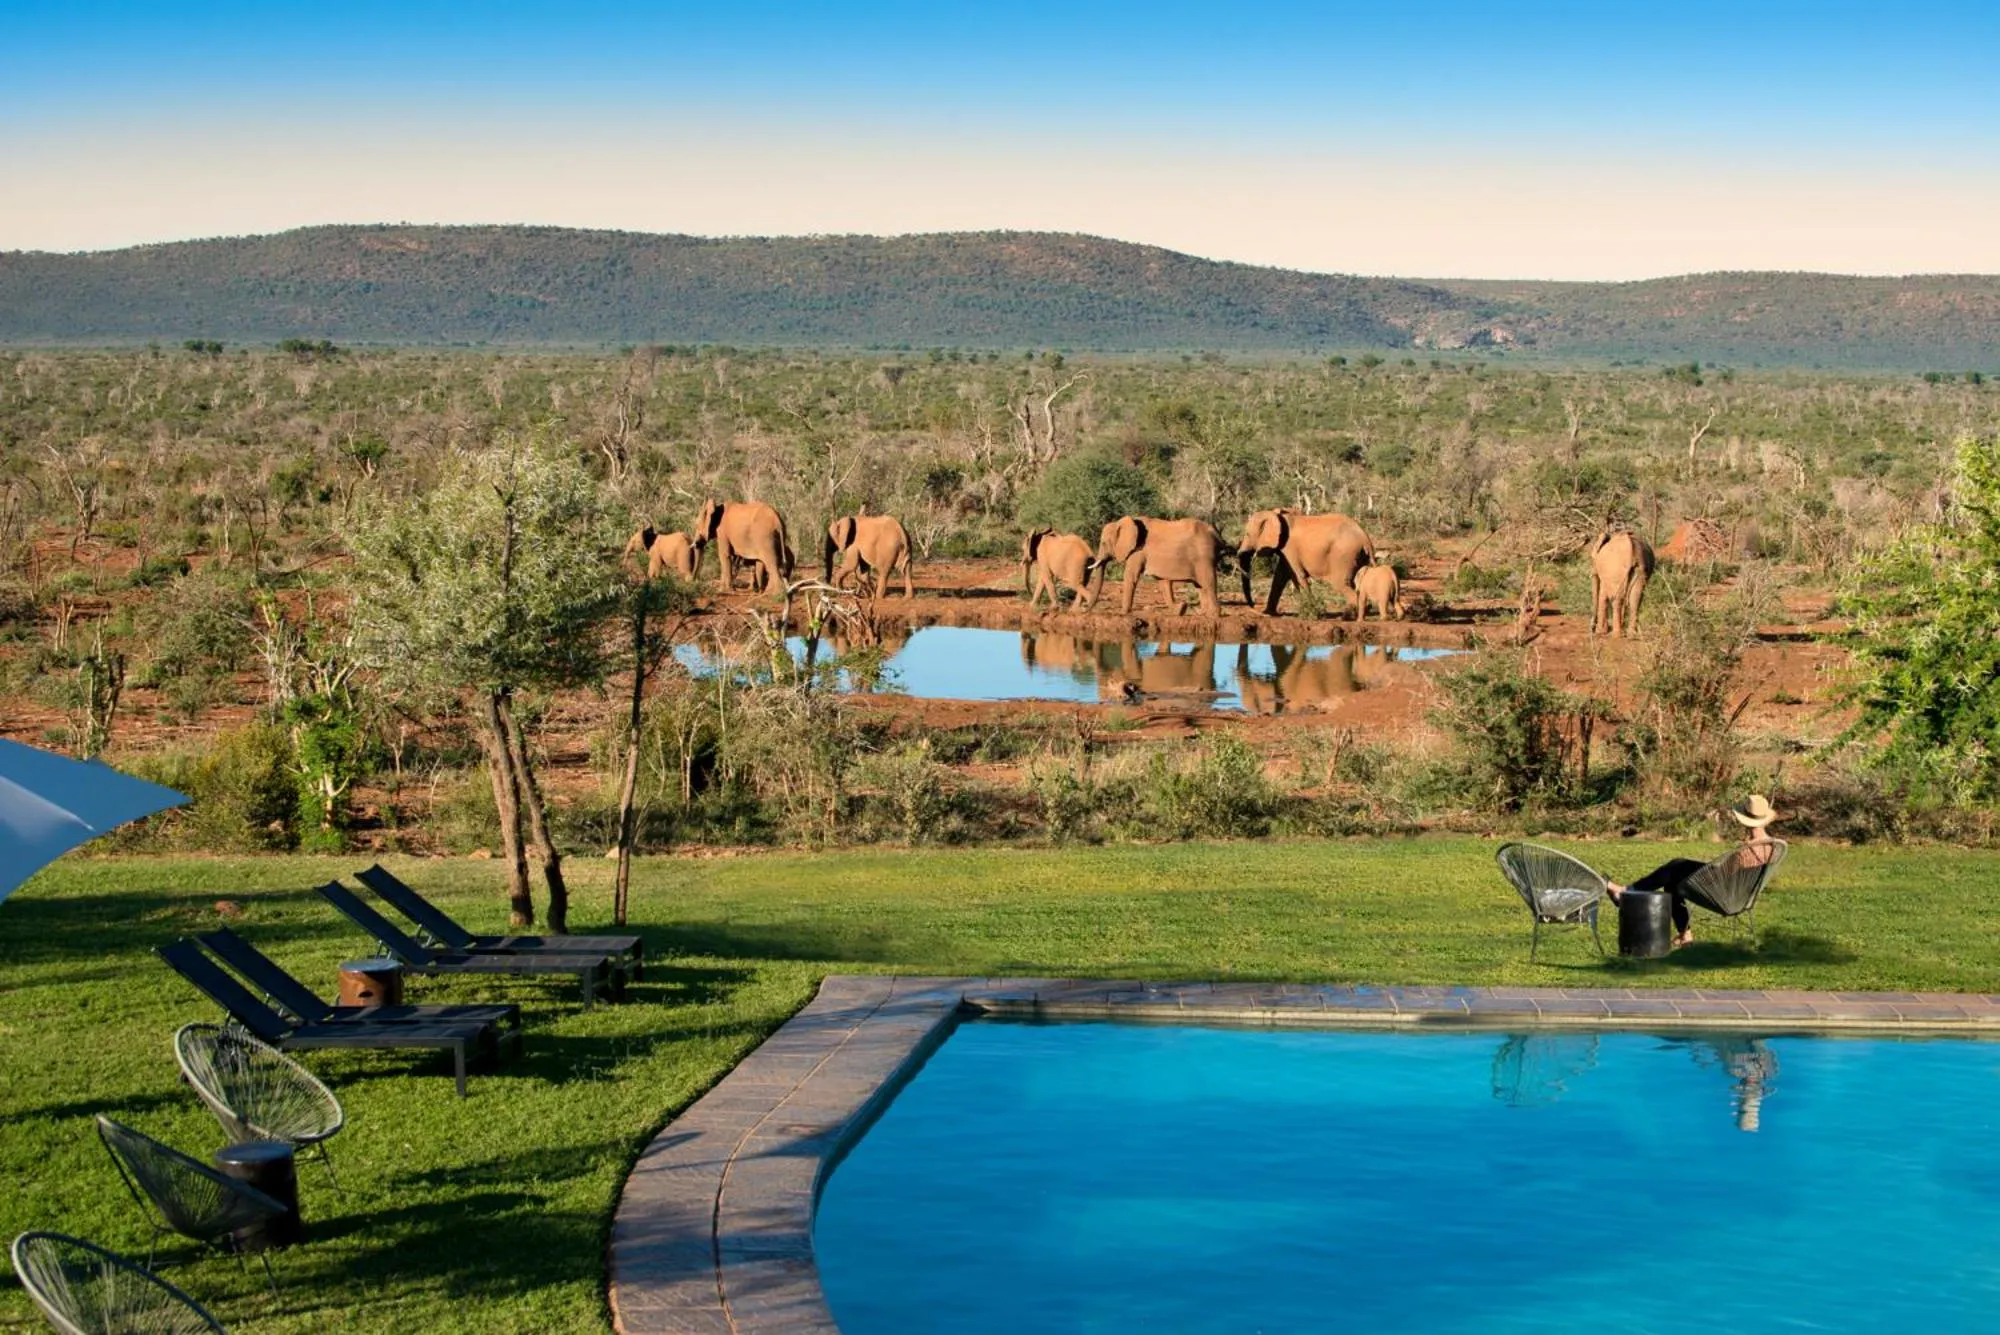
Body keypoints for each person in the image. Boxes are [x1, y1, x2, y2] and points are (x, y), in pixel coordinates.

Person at [1607, 794, 1782, 948]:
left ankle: (1626, 892)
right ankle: (1684, 936)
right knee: (1677, 869)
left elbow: (1720, 876)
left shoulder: (1744, 852)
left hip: (1724, 896)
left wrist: (1700, 874)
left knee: (1674, 873)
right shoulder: (1773, 846)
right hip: (1743, 897)